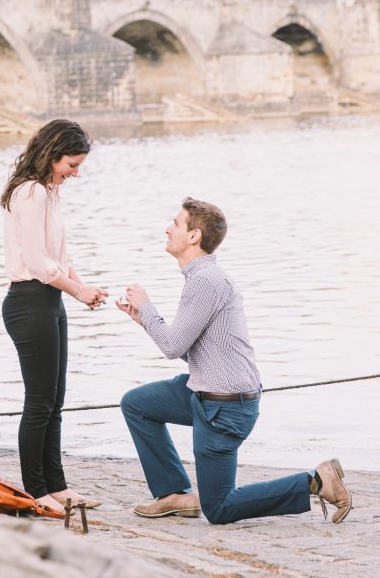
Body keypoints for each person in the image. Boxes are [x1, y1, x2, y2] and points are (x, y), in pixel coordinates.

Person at [115, 197, 352, 525]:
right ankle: (174, 494)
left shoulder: (205, 281)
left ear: (194, 236)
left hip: (224, 409)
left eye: (176, 223)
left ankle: (316, 481)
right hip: (205, 392)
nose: (168, 228)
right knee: (137, 404)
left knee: (219, 508)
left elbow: (171, 348)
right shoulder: (201, 278)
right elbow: (188, 349)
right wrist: (143, 318)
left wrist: (148, 306)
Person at [0, 119, 108, 514]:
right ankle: (36, 490)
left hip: (49, 301)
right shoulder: (31, 193)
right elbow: (37, 262)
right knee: (39, 403)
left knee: (55, 400)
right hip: (28, 301)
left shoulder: (49, 191)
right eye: (72, 165)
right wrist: (76, 290)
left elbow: (59, 258)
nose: (75, 174)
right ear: (52, 155)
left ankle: (57, 485)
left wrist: (82, 289)